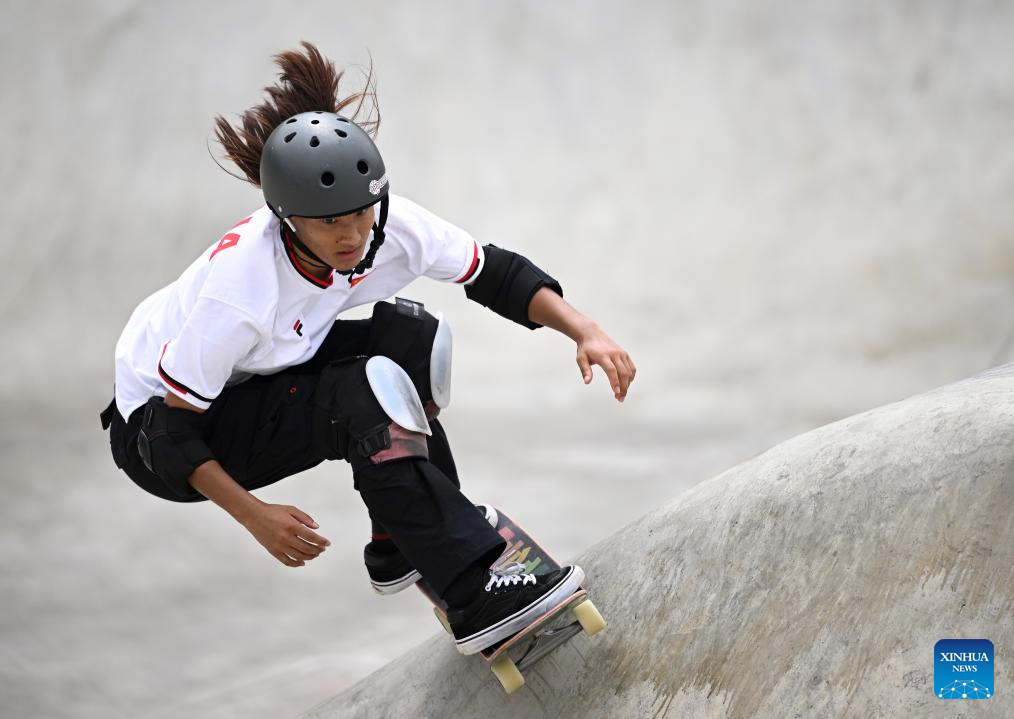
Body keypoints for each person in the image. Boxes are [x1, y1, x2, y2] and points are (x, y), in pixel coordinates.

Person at [99, 42, 636, 655]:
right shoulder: (241, 291)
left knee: (414, 341)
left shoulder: (389, 226)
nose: (352, 236)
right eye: (328, 223)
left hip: (253, 376)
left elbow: (495, 273)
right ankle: (472, 589)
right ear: (287, 219)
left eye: (360, 214)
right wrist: (253, 514)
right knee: (361, 395)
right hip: (161, 437)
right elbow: (170, 433)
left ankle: (401, 538)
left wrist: (585, 329)